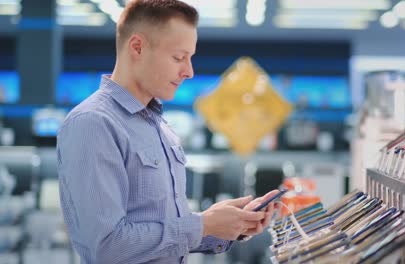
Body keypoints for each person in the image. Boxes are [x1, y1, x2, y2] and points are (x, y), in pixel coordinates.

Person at [57, 0, 279, 263]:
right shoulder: (93, 123)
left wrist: (228, 227)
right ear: (137, 47)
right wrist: (202, 224)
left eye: (190, 58)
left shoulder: (159, 126)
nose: (189, 71)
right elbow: (107, 247)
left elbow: (162, 238)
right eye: (178, 57)